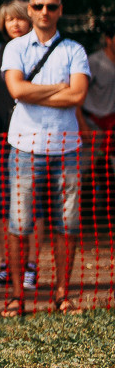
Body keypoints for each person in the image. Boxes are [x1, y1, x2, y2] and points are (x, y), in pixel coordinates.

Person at [0, 0, 89, 317]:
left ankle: (62, 294)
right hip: (25, 146)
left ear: (60, 10)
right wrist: (58, 88)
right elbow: (16, 89)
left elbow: (77, 95)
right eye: (38, 6)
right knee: (19, 224)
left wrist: (33, 91)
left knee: (68, 224)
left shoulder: (74, 50)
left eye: (51, 6)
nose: (44, 12)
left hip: (66, 148)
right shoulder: (15, 47)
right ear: (30, 9)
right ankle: (16, 296)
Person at [0, 1, 39, 289]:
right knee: (3, 202)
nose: (14, 24)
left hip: (29, 136)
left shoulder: (39, 51)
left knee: (31, 202)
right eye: (9, 19)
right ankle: (8, 265)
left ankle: (30, 267)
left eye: (20, 18)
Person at [80, 23, 115, 224]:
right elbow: (78, 95)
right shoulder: (94, 62)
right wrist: (82, 123)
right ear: (108, 39)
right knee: (81, 170)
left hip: (112, 125)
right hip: (92, 124)